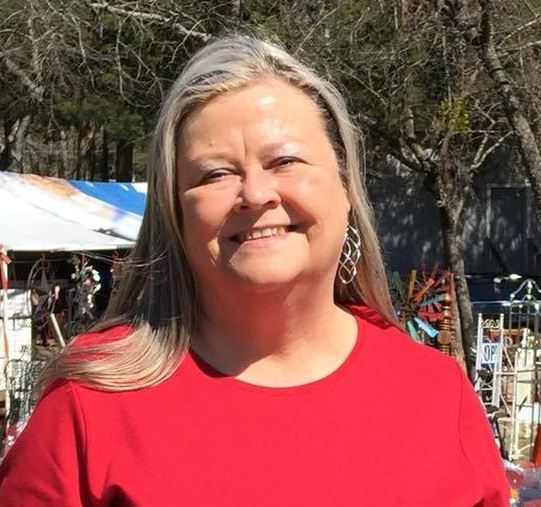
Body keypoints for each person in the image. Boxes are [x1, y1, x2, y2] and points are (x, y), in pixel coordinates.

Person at [0, 35, 509, 506]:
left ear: (346, 190)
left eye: (285, 161)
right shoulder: (92, 403)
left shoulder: (436, 395)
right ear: (175, 213)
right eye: (216, 173)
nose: (256, 194)